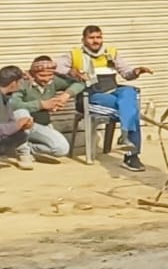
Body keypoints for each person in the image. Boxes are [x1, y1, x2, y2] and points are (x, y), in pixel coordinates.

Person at [56, 25, 151, 172]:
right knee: (132, 111)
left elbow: (126, 73)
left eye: (98, 37)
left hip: (112, 92)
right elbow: (55, 67)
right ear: (83, 40)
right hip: (91, 96)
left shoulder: (111, 53)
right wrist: (71, 71)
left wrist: (137, 71)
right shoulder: (74, 55)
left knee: (129, 92)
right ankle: (131, 155)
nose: (96, 41)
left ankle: (126, 138)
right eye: (91, 38)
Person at [7, 56, 77, 165]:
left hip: (40, 126)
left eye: (50, 75)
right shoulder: (21, 83)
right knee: (21, 112)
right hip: (20, 125)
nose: (46, 79)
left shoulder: (53, 81)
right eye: (42, 75)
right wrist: (41, 105)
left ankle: (28, 148)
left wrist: (65, 95)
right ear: (33, 73)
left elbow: (80, 83)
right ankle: (23, 154)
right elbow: (13, 104)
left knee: (61, 149)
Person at [0, 67, 36, 165]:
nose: (22, 84)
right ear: (13, 83)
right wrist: (17, 125)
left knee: (23, 120)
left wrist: (23, 126)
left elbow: (10, 121)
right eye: (20, 81)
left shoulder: (6, 97)